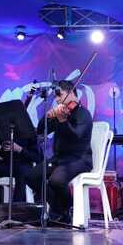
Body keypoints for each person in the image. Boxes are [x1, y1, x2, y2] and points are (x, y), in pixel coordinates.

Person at [26, 80, 93, 222]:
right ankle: (60, 209)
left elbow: (76, 136)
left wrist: (63, 121)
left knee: (56, 180)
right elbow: (40, 130)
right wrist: (47, 117)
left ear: (71, 93)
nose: (57, 99)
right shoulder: (61, 113)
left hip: (79, 159)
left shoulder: (83, 114)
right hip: (60, 159)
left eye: (59, 95)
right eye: (55, 96)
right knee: (31, 176)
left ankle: (66, 209)